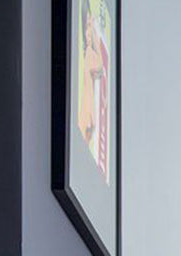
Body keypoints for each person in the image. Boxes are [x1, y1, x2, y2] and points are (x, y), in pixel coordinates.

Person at [78, 0, 105, 150]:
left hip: (87, 114)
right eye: (87, 26)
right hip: (86, 113)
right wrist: (94, 32)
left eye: (90, 25)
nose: (88, 31)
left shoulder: (87, 53)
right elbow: (100, 66)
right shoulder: (88, 53)